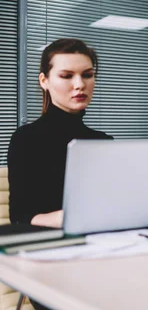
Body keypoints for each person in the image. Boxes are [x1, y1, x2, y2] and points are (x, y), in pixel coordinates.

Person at [8, 38, 112, 229]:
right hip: (52, 245)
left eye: (87, 75)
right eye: (66, 76)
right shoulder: (26, 139)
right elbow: (20, 216)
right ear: (44, 81)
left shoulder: (103, 141)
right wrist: (69, 218)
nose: (79, 84)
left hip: (105, 237)